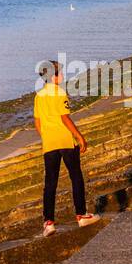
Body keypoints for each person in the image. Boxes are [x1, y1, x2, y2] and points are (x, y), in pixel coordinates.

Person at [34, 59, 99, 237]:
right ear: (53, 77)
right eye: (60, 73)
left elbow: (37, 123)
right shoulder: (60, 93)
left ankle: (48, 222)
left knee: (50, 183)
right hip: (65, 140)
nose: (62, 76)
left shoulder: (39, 96)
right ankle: (81, 215)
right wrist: (79, 136)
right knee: (76, 176)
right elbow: (65, 118)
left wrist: (47, 136)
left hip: (49, 143)